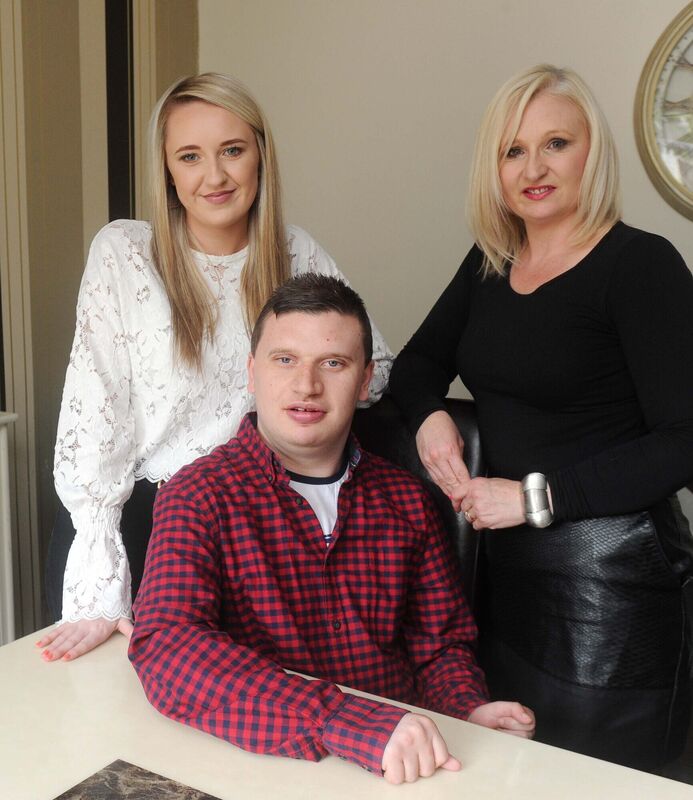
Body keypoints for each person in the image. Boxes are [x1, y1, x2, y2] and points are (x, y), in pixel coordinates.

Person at [389, 63, 693, 772]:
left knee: (593, 782)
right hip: (504, 576)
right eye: (512, 149)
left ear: (592, 151)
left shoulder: (641, 266)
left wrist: (533, 497)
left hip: (612, 587)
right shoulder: (490, 263)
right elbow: (413, 366)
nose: (534, 167)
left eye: (555, 143)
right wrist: (429, 414)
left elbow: (685, 442)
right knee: (505, 774)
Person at [40, 73, 393, 663]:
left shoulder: (294, 252)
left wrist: (297, 386)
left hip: (256, 524)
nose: (215, 176)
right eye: (190, 156)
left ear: (261, 155)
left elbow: (371, 367)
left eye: (233, 150)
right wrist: (101, 584)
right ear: (168, 171)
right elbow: (96, 409)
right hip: (135, 526)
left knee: (240, 719)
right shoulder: (126, 253)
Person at [128, 274, 535, 785]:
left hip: (401, 771)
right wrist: (346, 722)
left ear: (365, 381)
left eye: (333, 364)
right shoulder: (196, 496)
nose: (307, 386)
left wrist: (465, 712)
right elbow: (168, 645)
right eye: (285, 360)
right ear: (252, 373)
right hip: (261, 768)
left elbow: (440, 647)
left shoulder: (409, 502)